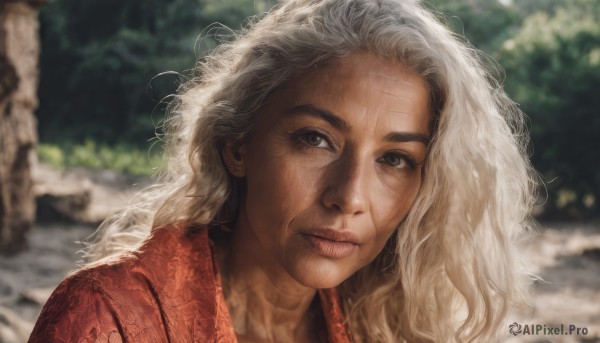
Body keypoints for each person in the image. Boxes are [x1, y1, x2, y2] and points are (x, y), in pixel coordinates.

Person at [29, 0, 537, 342]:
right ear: (238, 144)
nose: (350, 197)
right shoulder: (107, 317)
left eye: (394, 159)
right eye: (315, 139)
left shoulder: (385, 322)